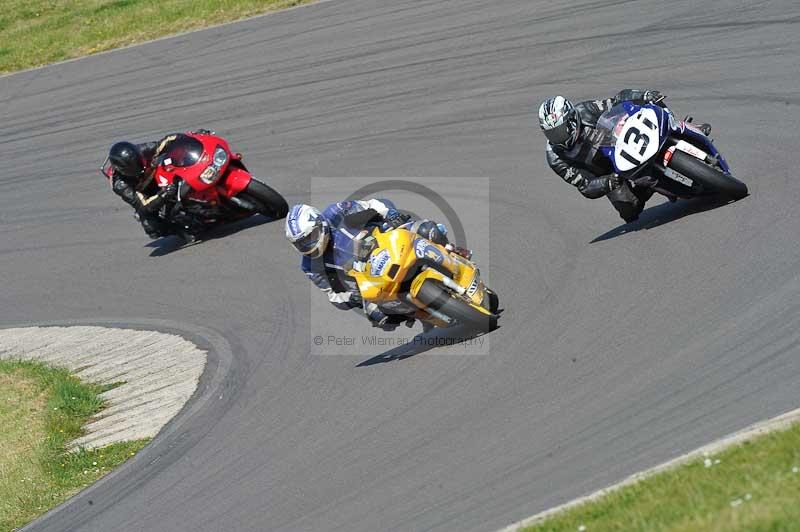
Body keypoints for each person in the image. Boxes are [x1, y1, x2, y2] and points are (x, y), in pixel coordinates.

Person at [285, 199, 468, 331]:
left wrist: (392, 216)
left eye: (309, 237)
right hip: (366, 279)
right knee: (378, 317)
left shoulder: (336, 212)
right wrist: (352, 297)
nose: (308, 245)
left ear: (320, 223)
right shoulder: (310, 266)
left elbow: (374, 204)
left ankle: (453, 251)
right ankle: (422, 314)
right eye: (301, 243)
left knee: (427, 229)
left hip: (388, 241)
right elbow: (332, 295)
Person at [538, 90, 711, 223]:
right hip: (607, 172)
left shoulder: (585, 110)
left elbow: (618, 100)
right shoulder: (555, 157)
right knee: (630, 212)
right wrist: (607, 182)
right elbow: (584, 186)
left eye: (559, 131)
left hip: (620, 142)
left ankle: (685, 127)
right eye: (552, 134)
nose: (558, 138)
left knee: (655, 111)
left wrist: (644, 95)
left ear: (572, 120)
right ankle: (654, 185)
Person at [103, 130, 213, 239]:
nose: (138, 165)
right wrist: (163, 195)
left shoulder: (141, 150)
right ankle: (180, 230)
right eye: (132, 166)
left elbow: (165, 142)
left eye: (138, 161)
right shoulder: (119, 184)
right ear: (122, 170)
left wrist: (190, 138)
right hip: (145, 194)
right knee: (151, 227)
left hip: (157, 174)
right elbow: (143, 205)